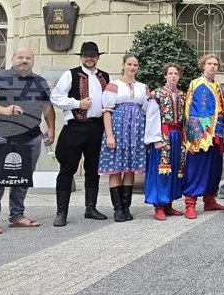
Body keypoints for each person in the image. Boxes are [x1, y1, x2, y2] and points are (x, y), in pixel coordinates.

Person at [0, 48, 54, 235]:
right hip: (2, 135)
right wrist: (3, 110)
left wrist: (51, 128)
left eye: (28, 58)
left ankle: (17, 216)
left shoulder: (40, 81)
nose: (24, 60)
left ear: (33, 61)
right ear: (13, 59)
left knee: (22, 179)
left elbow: (47, 107)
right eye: (20, 57)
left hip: (31, 136)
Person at [51, 41, 110, 227]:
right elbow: (56, 97)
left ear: (97, 57)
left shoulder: (105, 76)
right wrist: (78, 104)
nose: (89, 58)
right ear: (81, 57)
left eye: (93, 55)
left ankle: (90, 208)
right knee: (67, 169)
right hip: (74, 127)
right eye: (86, 55)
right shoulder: (70, 74)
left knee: (93, 169)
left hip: (97, 127)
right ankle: (61, 212)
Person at [97, 54, 152, 222]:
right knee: (116, 168)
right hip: (118, 130)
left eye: (135, 65)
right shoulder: (114, 85)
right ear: (123, 65)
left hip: (136, 132)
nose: (132, 67)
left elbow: (147, 110)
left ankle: (126, 207)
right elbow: (107, 111)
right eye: (129, 64)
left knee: (130, 169)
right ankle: (118, 208)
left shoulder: (143, 87)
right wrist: (110, 135)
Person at [183, 54, 224, 219]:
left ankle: (210, 200)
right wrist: (195, 133)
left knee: (214, 168)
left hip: (217, 133)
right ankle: (190, 203)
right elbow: (189, 109)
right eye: (209, 63)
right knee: (197, 168)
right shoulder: (196, 83)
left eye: (215, 64)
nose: (212, 66)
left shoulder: (217, 85)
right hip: (201, 134)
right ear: (203, 65)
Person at [143, 63, 187, 221]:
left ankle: (168, 203)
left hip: (178, 135)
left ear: (179, 76)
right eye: (170, 73)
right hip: (163, 135)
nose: (173, 76)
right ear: (165, 75)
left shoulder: (183, 95)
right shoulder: (157, 94)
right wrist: (155, 139)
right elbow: (151, 116)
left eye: (176, 73)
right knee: (161, 169)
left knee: (174, 169)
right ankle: (159, 206)